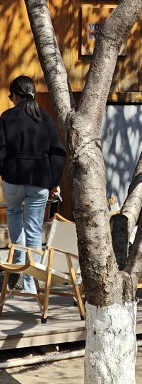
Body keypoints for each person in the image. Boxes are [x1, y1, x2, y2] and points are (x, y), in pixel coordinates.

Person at [0, 75, 66, 294]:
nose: (11, 100)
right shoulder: (46, 119)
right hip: (39, 182)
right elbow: (58, 153)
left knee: (13, 212)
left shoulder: (6, 117)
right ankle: (30, 286)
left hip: (12, 179)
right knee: (35, 230)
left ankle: (18, 258)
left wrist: (4, 171)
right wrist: (54, 181)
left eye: (11, 96)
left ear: (17, 95)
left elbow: (0, 151)